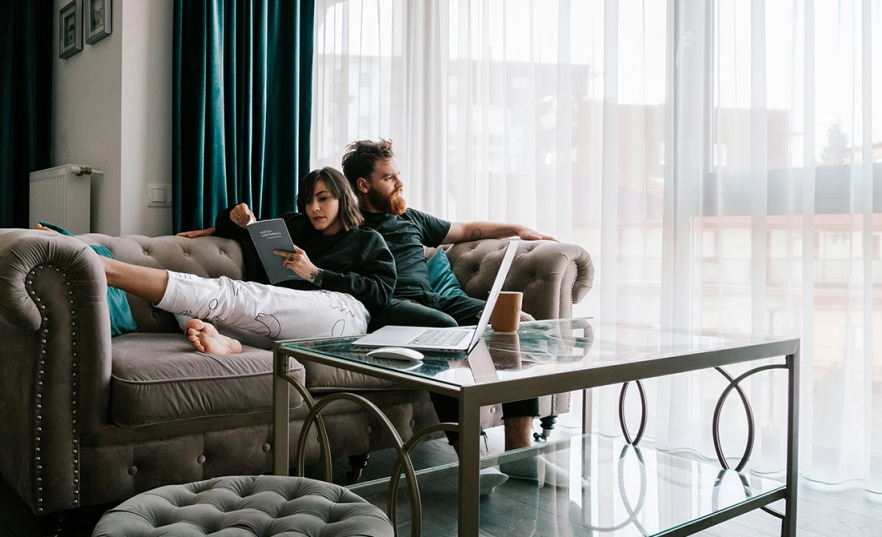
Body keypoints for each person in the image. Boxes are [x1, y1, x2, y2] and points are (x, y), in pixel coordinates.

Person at [341, 139, 567, 487]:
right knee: (445, 332)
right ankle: (473, 465)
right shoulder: (345, 226)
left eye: (398, 175)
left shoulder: (410, 218)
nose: (400, 183)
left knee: (514, 324)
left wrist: (516, 229)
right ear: (363, 185)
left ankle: (520, 455)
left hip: (436, 300)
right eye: (389, 178)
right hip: (391, 307)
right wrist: (232, 220)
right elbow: (284, 231)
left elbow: (467, 229)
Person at [104, 167, 396, 355]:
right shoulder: (295, 225)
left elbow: (381, 293)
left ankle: (108, 269)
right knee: (194, 310)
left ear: (343, 198)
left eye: (323, 198)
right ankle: (227, 341)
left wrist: (316, 274)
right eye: (308, 201)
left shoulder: (368, 240)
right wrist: (236, 215)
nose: (314, 208)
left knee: (241, 296)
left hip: (343, 315)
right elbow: (241, 229)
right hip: (286, 319)